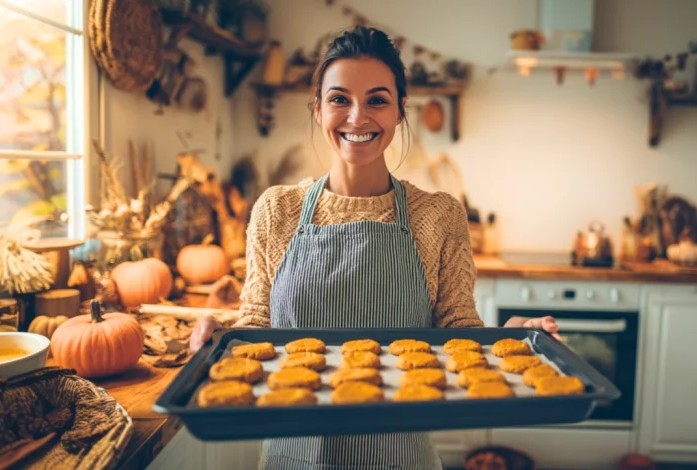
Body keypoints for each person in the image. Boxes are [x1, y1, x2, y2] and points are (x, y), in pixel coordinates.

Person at [189, 25, 559, 470]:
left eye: (377, 100)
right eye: (339, 99)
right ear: (318, 109)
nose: (357, 117)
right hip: (293, 455)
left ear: (401, 110)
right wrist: (219, 336)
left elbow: (457, 332)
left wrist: (510, 339)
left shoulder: (439, 214)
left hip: (401, 456)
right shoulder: (276, 209)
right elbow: (256, 328)